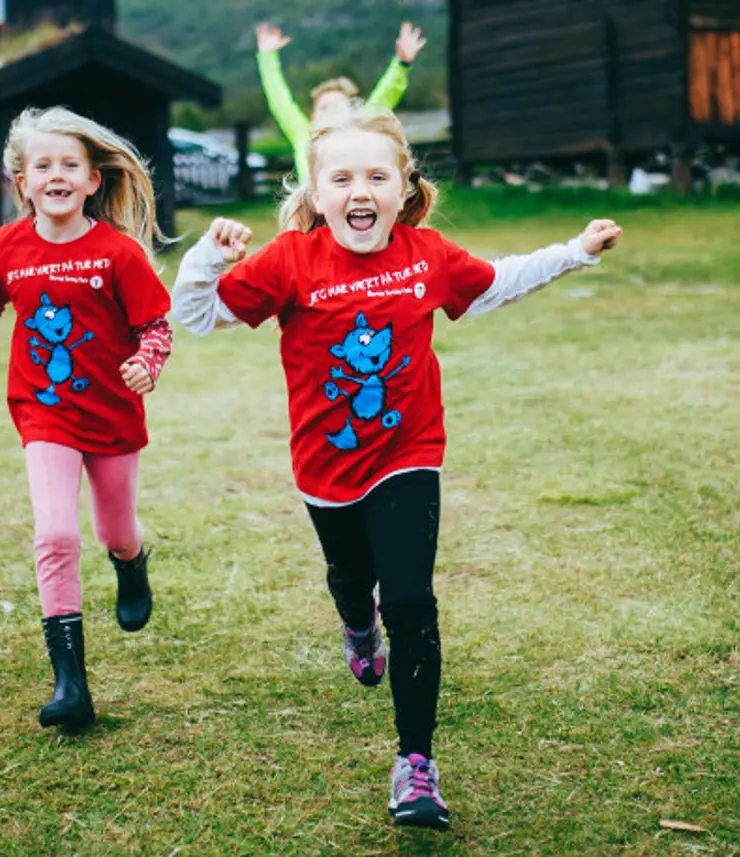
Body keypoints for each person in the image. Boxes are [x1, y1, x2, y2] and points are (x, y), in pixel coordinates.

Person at [171, 106, 620, 829]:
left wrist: (576, 250)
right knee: (354, 579)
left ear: (403, 187)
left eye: (377, 176)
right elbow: (195, 316)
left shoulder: (427, 253)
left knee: (410, 600)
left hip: (409, 454)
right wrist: (206, 259)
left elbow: (497, 281)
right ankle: (356, 624)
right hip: (325, 469)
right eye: (342, 177)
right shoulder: (290, 259)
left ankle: (416, 763)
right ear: (317, 194)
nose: (360, 190)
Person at [0, 106, 174, 732]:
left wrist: (147, 363)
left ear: (90, 180)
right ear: (21, 182)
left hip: (111, 414)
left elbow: (154, 326)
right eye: (42, 165)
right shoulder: (6, 247)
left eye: (69, 165)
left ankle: (131, 564)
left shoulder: (117, 253)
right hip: (43, 411)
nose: (56, 175)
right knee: (54, 533)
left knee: (114, 530)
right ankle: (71, 684)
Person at [256, 21, 427, 183]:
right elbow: (280, 101)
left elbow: (386, 93)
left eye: (339, 107)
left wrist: (402, 64)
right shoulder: (304, 137)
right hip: (311, 213)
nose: (332, 112)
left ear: (353, 113)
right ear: (314, 117)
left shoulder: (362, 130)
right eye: (325, 108)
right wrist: (267, 57)